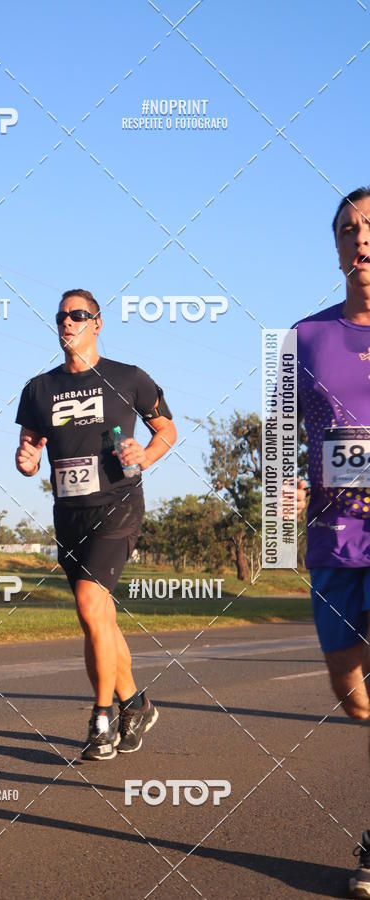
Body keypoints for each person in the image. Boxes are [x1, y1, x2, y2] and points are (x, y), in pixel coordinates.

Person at [15, 289, 176, 760]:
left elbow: (166, 428)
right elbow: (28, 453)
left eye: (78, 315)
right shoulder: (38, 389)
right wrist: (27, 460)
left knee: (89, 603)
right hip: (69, 514)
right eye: (61, 316)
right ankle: (136, 703)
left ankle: (101, 716)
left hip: (118, 507)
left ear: (98, 323)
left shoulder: (128, 378)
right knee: (97, 618)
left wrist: (145, 454)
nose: (68, 322)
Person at [294, 187, 370, 898]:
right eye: (348, 229)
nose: (361, 239)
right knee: (352, 697)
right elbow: (293, 439)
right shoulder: (306, 338)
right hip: (334, 543)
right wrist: (290, 483)